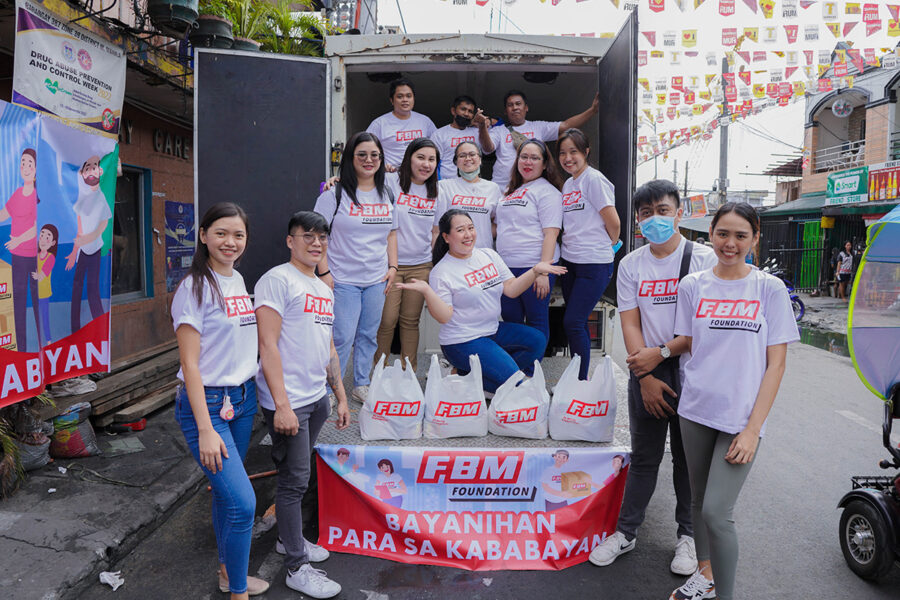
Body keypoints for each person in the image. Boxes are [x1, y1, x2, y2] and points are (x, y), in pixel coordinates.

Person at [667, 202, 798, 600]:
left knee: (715, 513)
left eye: (741, 235)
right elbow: (690, 344)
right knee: (696, 499)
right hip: (695, 410)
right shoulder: (692, 286)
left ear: (755, 239)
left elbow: (776, 365)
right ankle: (705, 577)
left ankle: (725, 595)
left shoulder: (768, 288)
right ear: (711, 233)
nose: (731, 243)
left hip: (740, 418)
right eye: (723, 233)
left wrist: (753, 430)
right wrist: (655, 354)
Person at [589, 179, 715, 577]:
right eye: (646, 213)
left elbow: (707, 328)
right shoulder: (630, 264)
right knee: (644, 457)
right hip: (647, 367)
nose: (655, 219)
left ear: (679, 212)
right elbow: (629, 322)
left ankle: (688, 536)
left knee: (687, 460)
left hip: (692, 369)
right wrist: (643, 375)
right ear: (637, 220)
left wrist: (660, 353)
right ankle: (626, 532)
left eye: (663, 210)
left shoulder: (705, 260)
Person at [170, 203, 268, 599]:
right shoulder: (193, 287)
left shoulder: (237, 280)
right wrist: (207, 430)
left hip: (241, 401)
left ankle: (229, 573)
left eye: (238, 235)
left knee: (227, 496)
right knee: (244, 505)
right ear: (204, 235)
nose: (230, 242)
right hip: (208, 407)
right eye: (222, 233)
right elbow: (190, 366)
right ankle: (239, 593)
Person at [255, 210, 350, 599]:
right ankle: (295, 565)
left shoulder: (322, 288)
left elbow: (328, 345)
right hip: (289, 400)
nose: (316, 242)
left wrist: (339, 395)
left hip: (316, 397)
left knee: (297, 474)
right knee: (295, 481)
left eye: (322, 237)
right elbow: (267, 345)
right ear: (290, 240)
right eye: (307, 235)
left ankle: (287, 539)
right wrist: (281, 405)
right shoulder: (276, 280)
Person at [395, 209, 566, 393]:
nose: (468, 234)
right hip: (462, 340)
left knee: (537, 340)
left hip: (491, 330)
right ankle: (486, 378)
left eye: (471, 228)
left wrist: (535, 271)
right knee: (517, 384)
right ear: (446, 237)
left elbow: (511, 289)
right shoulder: (442, 271)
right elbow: (444, 317)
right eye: (460, 230)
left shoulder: (488, 255)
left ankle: (463, 374)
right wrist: (427, 291)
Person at [314, 132, 398, 404]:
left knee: (368, 336)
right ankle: (328, 390)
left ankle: (361, 383)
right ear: (350, 158)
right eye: (361, 154)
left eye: (375, 154)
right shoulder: (333, 194)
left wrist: (393, 266)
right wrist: (324, 273)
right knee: (340, 338)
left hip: (376, 279)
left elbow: (392, 234)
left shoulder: (386, 192)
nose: (369, 160)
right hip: (343, 280)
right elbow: (316, 236)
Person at [557, 128, 621, 380]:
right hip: (571, 261)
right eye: (562, 153)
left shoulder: (594, 179)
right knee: (579, 323)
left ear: (586, 151)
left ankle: (580, 381)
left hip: (594, 263)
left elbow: (613, 221)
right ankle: (576, 376)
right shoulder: (568, 183)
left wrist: (609, 245)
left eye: (573, 151)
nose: (567, 158)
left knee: (572, 322)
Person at [376, 138, 440, 372]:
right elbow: (361, 182)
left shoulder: (436, 191)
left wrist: (434, 266)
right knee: (387, 321)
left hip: (421, 266)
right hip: (390, 265)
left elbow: (435, 232)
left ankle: (409, 371)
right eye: (420, 157)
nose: (426, 164)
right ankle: (377, 371)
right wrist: (337, 179)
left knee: (410, 321)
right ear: (409, 158)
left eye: (431, 159)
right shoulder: (391, 181)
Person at [496, 139, 563, 349]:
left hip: (534, 266)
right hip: (506, 267)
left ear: (544, 164)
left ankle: (532, 372)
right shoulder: (510, 190)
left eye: (535, 158)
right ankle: (516, 371)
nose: (528, 162)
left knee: (536, 320)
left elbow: (551, 233)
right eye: (524, 157)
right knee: (511, 319)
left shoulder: (548, 192)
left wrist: (543, 272)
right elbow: (503, 226)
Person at [490, 89, 600, 191]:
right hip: (502, 187)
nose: (515, 107)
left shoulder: (538, 127)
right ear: (505, 110)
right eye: (510, 105)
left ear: (526, 107)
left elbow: (566, 125)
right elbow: (487, 148)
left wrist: (593, 110)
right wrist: (482, 127)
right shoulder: (499, 131)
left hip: (531, 187)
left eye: (518, 104)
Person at [1, 148, 42, 351]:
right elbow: (4, 214)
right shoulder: (17, 194)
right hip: (16, 258)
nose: (25, 167)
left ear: (36, 170)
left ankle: (42, 346)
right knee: (18, 303)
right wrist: (15, 244)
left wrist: (18, 240)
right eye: (23, 163)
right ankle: (23, 351)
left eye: (30, 164)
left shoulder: (37, 196)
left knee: (37, 301)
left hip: (34, 257)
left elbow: (37, 225)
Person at [66, 155, 111, 333]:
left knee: (93, 290)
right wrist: (74, 251)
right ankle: (74, 330)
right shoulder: (81, 199)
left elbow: (104, 223)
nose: (91, 169)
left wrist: (90, 237)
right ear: (82, 174)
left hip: (95, 250)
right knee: (76, 289)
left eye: (95, 166)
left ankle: (99, 330)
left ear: (100, 171)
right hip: (82, 251)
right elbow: (79, 229)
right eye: (87, 167)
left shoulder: (100, 197)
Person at [432, 141, 501, 250]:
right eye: (462, 155)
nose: (468, 158)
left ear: (480, 159)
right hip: (453, 254)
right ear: (456, 162)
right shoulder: (444, 186)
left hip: (484, 254)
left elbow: (497, 223)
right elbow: (436, 227)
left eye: (472, 154)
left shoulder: (493, 188)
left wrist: (483, 235)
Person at [366, 78, 437, 170]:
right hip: (392, 175)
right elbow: (365, 148)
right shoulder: (379, 124)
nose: (405, 100)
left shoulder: (425, 121)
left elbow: (437, 147)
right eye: (400, 96)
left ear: (413, 98)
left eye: (408, 96)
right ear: (392, 100)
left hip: (420, 174)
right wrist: (380, 165)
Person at [431, 95, 495, 179]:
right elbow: (433, 162)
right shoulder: (439, 134)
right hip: (447, 185)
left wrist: (482, 124)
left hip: (472, 184)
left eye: (470, 111)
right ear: (453, 111)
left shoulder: (478, 132)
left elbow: (488, 149)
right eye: (463, 109)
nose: (466, 114)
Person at [33, 224, 59, 346]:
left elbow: (42, 275)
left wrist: (34, 275)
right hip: (35, 294)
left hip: (44, 294)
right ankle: (38, 340)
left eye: (47, 237)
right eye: (41, 235)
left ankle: (48, 341)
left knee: (44, 317)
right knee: (35, 318)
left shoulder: (50, 258)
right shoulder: (36, 256)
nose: (43, 239)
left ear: (53, 242)